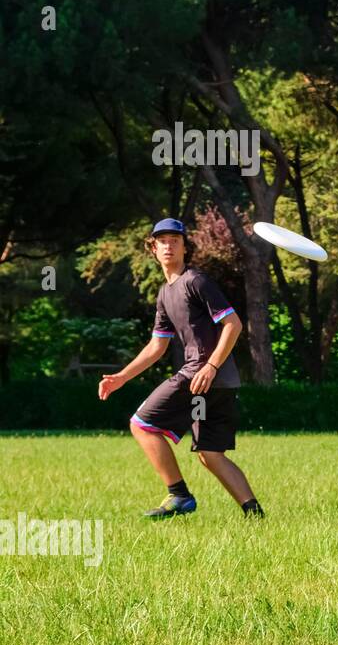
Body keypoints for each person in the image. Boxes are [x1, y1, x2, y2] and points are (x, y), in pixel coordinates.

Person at [97, 218, 265, 520]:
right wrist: (122, 376)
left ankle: (179, 495)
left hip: (203, 375)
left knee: (141, 425)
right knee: (210, 454)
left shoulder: (195, 281)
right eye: (162, 240)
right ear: (153, 248)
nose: (168, 245)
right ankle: (255, 515)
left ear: (186, 247)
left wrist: (211, 366)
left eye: (175, 240)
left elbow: (233, 324)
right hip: (223, 383)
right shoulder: (165, 294)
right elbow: (156, 347)